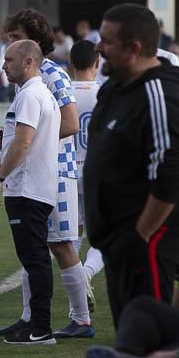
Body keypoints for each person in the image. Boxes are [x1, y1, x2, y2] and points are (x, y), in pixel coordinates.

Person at [84, 3, 179, 327]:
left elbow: (172, 169)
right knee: (130, 338)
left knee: (148, 341)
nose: (98, 48)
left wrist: (141, 235)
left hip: (145, 241)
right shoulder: (116, 89)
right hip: (118, 241)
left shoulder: (159, 92)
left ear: (134, 49)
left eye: (107, 41)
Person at [0, 9, 93, 340]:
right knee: (34, 246)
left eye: (15, 36)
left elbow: (70, 122)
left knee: (61, 245)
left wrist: (31, 139)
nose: (9, 43)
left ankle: (81, 318)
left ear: (34, 41)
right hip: (36, 168)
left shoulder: (52, 75)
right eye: (8, 37)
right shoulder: (25, 78)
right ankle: (28, 317)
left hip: (58, 169)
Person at [0, 40, 61, 345]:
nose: (3, 66)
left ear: (28, 62)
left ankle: (41, 328)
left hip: (28, 188)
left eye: (9, 60)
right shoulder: (36, 94)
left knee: (35, 258)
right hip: (34, 186)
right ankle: (31, 321)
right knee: (32, 257)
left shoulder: (30, 95)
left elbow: (23, 143)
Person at [68, 40, 105, 284]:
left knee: (72, 232)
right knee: (103, 235)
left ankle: (76, 280)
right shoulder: (106, 93)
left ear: (70, 64)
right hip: (98, 173)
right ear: (98, 62)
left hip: (67, 172)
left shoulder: (61, 92)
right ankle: (87, 273)